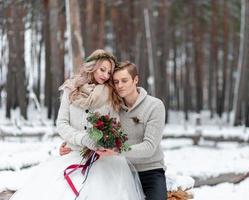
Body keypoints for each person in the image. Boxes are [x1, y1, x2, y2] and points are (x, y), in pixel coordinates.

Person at [10, 50, 144, 200]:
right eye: (102, 69)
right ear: (92, 66)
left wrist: (105, 140)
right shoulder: (71, 89)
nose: (105, 75)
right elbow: (61, 123)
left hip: (103, 160)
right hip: (73, 153)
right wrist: (82, 139)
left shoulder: (111, 94)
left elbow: (115, 125)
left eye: (109, 72)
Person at [61, 61, 167, 200]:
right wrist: (70, 145)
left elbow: (149, 147)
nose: (120, 85)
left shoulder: (154, 106)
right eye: (116, 81)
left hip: (149, 171)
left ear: (135, 80)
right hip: (119, 169)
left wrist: (117, 151)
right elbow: (92, 132)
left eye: (124, 80)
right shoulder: (113, 105)